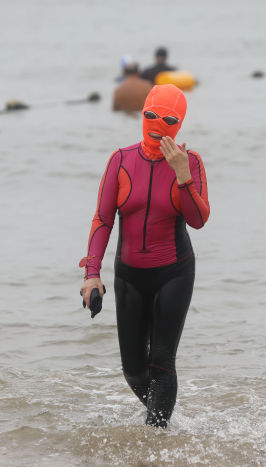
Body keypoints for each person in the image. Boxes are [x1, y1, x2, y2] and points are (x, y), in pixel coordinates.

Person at [79, 84, 210, 428]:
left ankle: (155, 442)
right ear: (142, 113)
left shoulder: (190, 162)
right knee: (135, 370)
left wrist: (182, 175)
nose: (157, 124)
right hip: (130, 277)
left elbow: (198, 220)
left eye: (168, 119)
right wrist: (92, 273)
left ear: (179, 123)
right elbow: (103, 219)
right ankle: (170, 428)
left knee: (162, 363)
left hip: (174, 273)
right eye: (150, 115)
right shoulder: (121, 160)